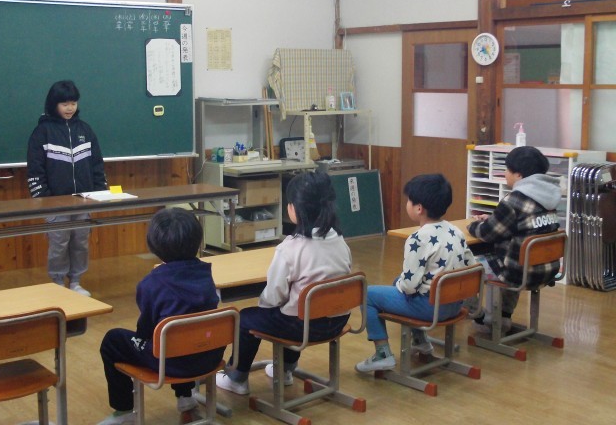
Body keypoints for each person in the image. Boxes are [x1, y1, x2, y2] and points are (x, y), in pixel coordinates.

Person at [215, 170, 352, 395]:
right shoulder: (339, 240)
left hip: (303, 328)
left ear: (295, 209)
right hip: (337, 320)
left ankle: (237, 378)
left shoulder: (290, 249)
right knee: (295, 309)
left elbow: (274, 297)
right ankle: (286, 370)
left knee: (247, 318)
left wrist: (263, 303)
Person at [97, 208, 222, 425]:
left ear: (153, 244)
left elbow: (146, 330)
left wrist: (141, 340)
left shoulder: (151, 283)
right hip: (209, 356)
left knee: (113, 340)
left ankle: (124, 409)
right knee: (184, 331)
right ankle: (186, 399)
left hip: (172, 362)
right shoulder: (205, 273)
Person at [355, 174, 475, 373]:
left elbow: (409, 287)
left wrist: (399, 285)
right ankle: (420, 341)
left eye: (409, 200)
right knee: (397, 281)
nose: (407, 204)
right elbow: (472, 265)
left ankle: (383, 354)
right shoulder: (456, 231)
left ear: (419, 208)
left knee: (366, 294)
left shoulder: (418, 238)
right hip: (454, 305)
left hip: (430, 308)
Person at [467, 146, 561, 332]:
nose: (505, 174)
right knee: (513, 256)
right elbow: (525, 224)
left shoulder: (515, 200)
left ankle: (478, 315)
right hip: (546, 269)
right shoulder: (550, 197)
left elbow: (487, 233)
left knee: (462, 263)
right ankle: (504, 316)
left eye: (507, 170)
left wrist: (472, 226)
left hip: (518, 273)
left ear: (518, 174)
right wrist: (494, 218)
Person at [26, 80, 107, 296]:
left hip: (83, 200)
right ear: (54, 104)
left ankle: (76, 282)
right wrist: (45, 199)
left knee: (80, 242)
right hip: (55, 203)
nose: (70, 108)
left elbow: (96, 164)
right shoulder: (42, 132)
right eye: (64, 104)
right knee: (59, 243)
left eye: (73, 103)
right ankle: (58, 282)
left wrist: (100, 191)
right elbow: (35, 169)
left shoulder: (85, 130)